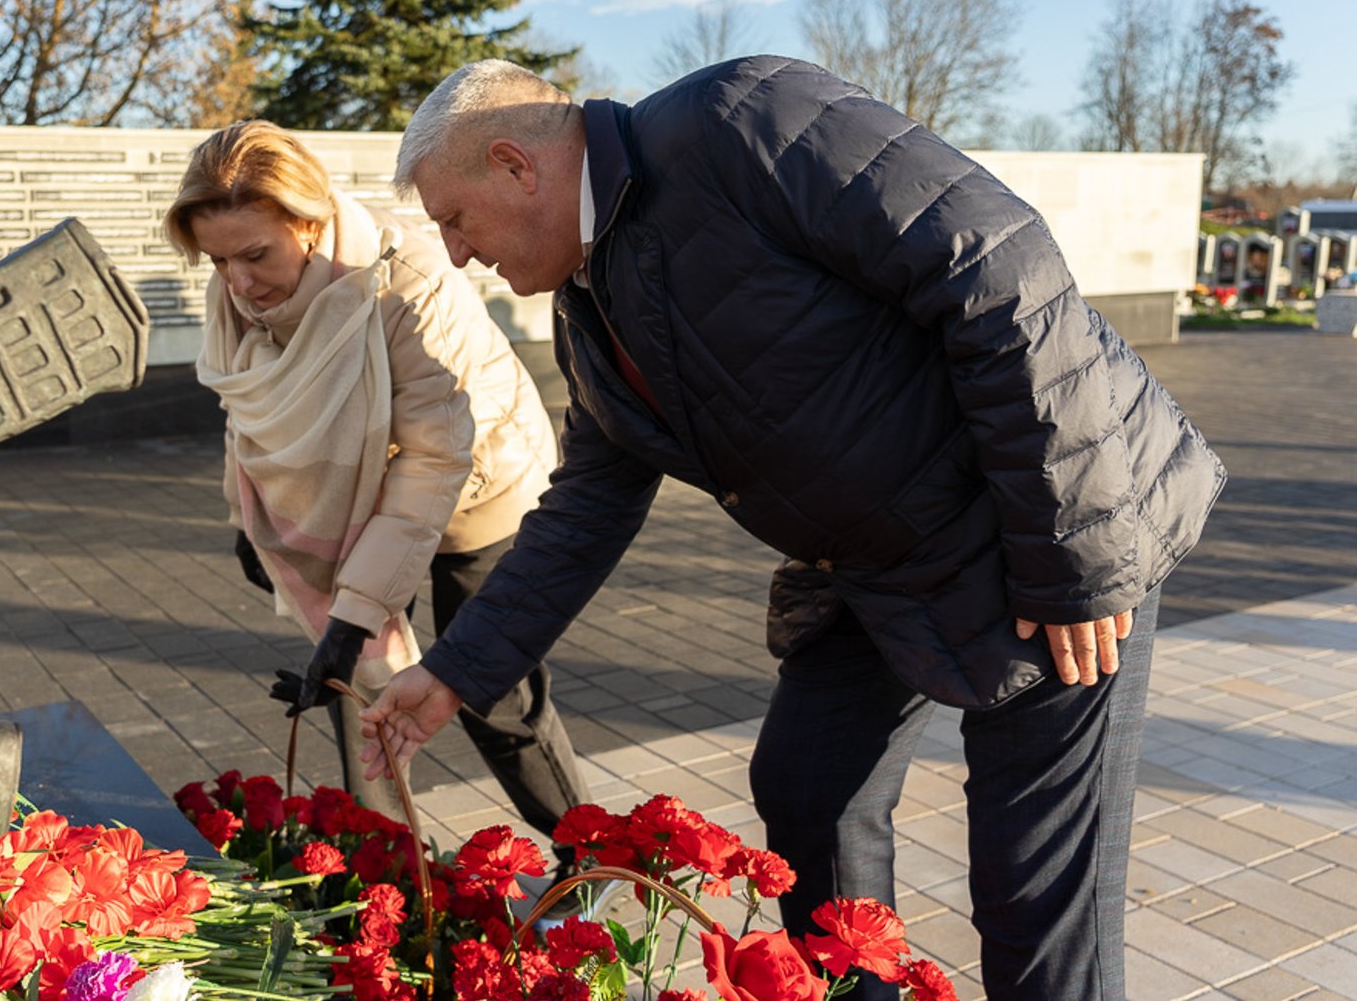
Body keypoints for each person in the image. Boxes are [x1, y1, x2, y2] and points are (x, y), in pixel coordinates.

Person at [359, 58, 1225, 1000]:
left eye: (454, 219)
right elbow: (586, 508)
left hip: (1046, 521)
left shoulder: (739, 122)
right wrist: (454, 671)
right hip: (874, 564)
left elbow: (997, 263)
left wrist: (1076, 559)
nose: (452, 253)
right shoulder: (590, 305)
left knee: (1033, 896)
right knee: (811, 791)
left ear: (514, 166)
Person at [162, 120, 590, 853]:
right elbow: (250, 416)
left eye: (256, 254)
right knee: (353, 685)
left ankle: (591, 858)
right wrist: (249, 516)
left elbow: (431, 461)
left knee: (493, 691)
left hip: (477, 486)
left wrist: (355, 611)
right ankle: (386, 868)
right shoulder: (240, 294)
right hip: (361, 498)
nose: (238, 283)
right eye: (218, 260)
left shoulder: (404, 281)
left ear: (311, 219)